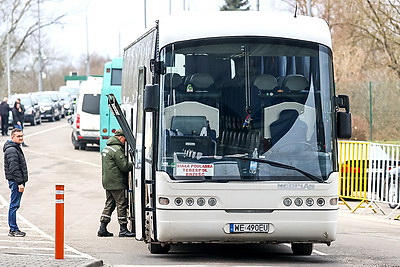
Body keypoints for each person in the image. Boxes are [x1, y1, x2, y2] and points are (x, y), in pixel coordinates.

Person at [98, 129, 134, 237]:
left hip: (107, 181)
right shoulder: (117, 150)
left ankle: (102, 228)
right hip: (117, 182)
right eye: (124, 139)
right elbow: (124, 166)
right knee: (121, 204)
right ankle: (123, 229)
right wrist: (134, 163)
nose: (124, 141)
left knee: (110, 204)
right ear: (120, 137)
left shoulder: (107, 148)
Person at [3, 128, 28, 237]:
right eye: (18, 136)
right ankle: (13, 229)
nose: (21, 138)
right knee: (14, 205)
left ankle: (13, 228)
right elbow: (14, 169)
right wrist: (20, 183)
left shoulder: (15, 147)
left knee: (14, 205)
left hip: (16, 181)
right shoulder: (12, 150)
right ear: (12, 137)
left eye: (22, 136)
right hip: (15, 182)